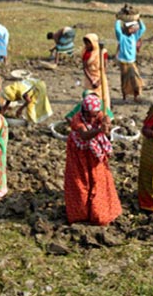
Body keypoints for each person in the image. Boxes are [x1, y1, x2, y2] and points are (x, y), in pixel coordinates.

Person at [64, 94, 121, 226]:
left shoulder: (99, 115)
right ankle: (81, 214)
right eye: (89, 115)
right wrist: (99, 130)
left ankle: (99, 213)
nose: (92, 118)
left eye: (94, 115)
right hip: (79, 156)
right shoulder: (77, 119)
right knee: (80, 183)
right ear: (83, 111)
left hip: (94, 155)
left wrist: (107, 121)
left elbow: (105, 120)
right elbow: (84, 136)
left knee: (98, 180)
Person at [114, 5, 146, 101]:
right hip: (123, 62)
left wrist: (139, 19)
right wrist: (119, 20)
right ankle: (124, 95)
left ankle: (136, 95)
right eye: (131, 28)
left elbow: (143, 29)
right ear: (127, 29)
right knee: (124, 80)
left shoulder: (134, 37)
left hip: (132, 62)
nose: (133, 30)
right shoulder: (122, 37)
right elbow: (117, 29)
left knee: (135, 79)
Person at [82, 33, 111, 111]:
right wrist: (92, 80)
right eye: (86, 43)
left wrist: (99, 81)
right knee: (90, 96)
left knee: (103, 97)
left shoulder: (102, 52)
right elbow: (85, 68)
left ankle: (104, 113)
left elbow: (104, 67)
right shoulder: (86, 53)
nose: (87, 45)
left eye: (88, 43)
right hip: (89, 79)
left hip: (100, 77)